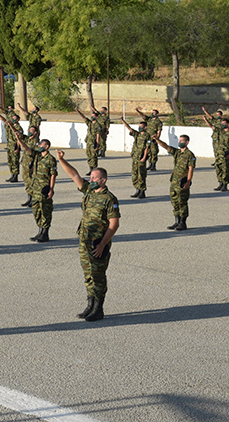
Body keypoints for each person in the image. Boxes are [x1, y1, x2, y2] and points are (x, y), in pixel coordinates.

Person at [56, 151, 120, 322]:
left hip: (98, 244)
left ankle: (99, 309)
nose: (91, 180)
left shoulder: (109, 199)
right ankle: (90, 305)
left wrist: (102, 245)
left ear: (103, 180)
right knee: (88, 275)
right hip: (84, 241)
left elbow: (114, 224)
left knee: (98, 275)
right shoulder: (89, 192)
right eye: (90, 177)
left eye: (94, 178)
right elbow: (74, 174)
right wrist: (62, 160)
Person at [154, 132, 195, 231]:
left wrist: (189, 181)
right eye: (179, 140)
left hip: (182, 182)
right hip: (174, 182)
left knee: (182, 202)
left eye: (182, 141)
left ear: (187, 142)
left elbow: (191, 168)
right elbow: (166, 147)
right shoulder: (178, 153)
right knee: (174, 201)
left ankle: (183, 222)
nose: (180, 142)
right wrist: (157, 139)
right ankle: (177, 221)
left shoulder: (189, 155)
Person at [120, 117, 150, 199]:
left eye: (141, 126)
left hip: (141, 157)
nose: (139, 128)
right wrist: (123, 120)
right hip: (135, 157)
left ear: (145, 127)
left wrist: (144, 158)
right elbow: (129, 128)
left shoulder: (147, 136)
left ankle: (142, 191)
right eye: (139, 126)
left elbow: (147, 148)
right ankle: (137, 190)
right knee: (134, 174)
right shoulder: (137, 134)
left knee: (141, 175)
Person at [76, 108, 101, 176]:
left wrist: (97, 146)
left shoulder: (98, 126)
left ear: (97, 117)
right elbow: (84, 117)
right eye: (91, 116)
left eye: (93, 116)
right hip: (89, 143)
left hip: (94, 143)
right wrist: (78, 111)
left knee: (94, 157)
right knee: (89, 156)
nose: (92, 117)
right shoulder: (90, 123)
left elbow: (98, 137)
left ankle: (95, 171)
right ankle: (90, 170)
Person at [215, 119, 229, 191]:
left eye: (224, 123)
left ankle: (225, 185)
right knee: (218, 169)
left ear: (228, 124)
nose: (223, 124)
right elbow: (212, 127)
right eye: (222, 123)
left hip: (225, 154)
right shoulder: (220, 131)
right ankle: (220, 183)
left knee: (225, 169)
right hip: (219, 154)